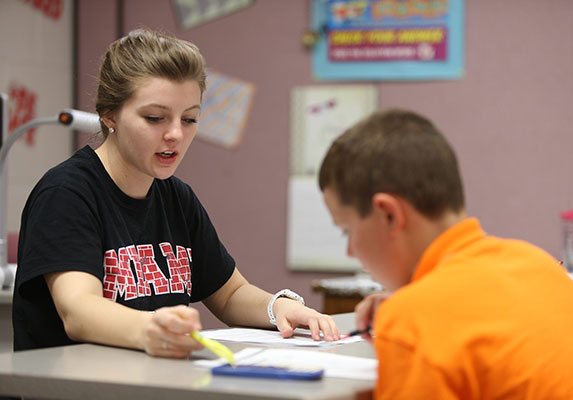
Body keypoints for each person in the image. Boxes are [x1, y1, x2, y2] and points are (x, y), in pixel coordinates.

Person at [12, 29, 340, 357]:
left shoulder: (176, 197)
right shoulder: (66, 194)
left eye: (190, 119)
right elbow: (79, 311)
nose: (175, 135)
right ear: (109, 114)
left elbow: (229, 294)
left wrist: (277, 307)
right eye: (155, 118)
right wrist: (150, 328)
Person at [318, 109, 573, 399]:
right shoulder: (538, 264)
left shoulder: (416, 320)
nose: (350, 251)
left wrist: (407, 328)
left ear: (389, 214)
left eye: (347, 230)